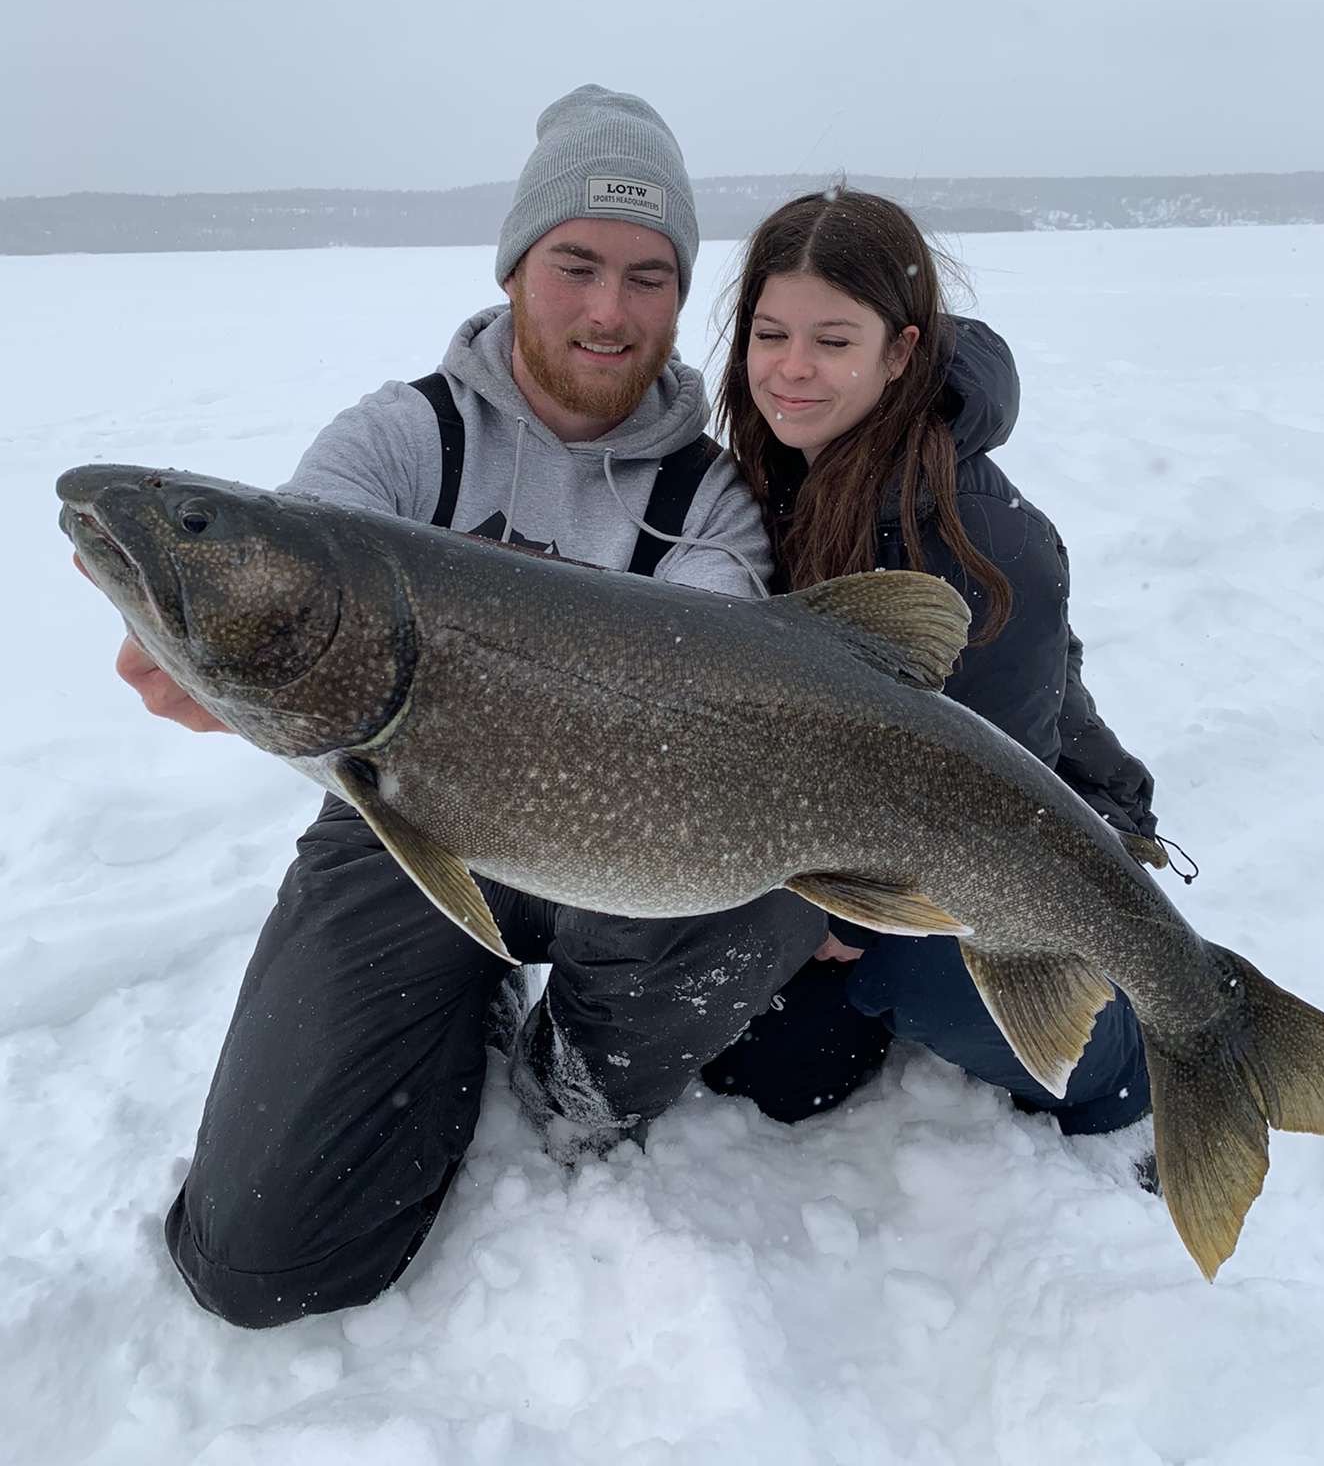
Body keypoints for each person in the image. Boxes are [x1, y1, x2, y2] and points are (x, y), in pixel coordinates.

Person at [110, 84, 835, 1328]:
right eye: (577, 264)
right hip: (405, 825)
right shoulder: (400, 443)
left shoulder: (710, 500)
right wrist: (211, 665)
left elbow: (719, 688)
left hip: (631, 838)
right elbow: (289, 596)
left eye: (649, 276)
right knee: (258, 1263)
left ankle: (575, 1080)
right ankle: (458, 989)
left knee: (773, 871)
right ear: (514, 266)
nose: (609, 310)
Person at [702, 186, 1163, 1151]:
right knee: (770, 1076)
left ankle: (1129, 1053)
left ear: (899, 351)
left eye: (832, 340)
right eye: (769, 334)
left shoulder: (978, 534)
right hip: (861, 812)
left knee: (916, 970)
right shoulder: (774, 468)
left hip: (1035, 842)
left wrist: (854, 921)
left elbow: (997, 798)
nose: (790, 370)